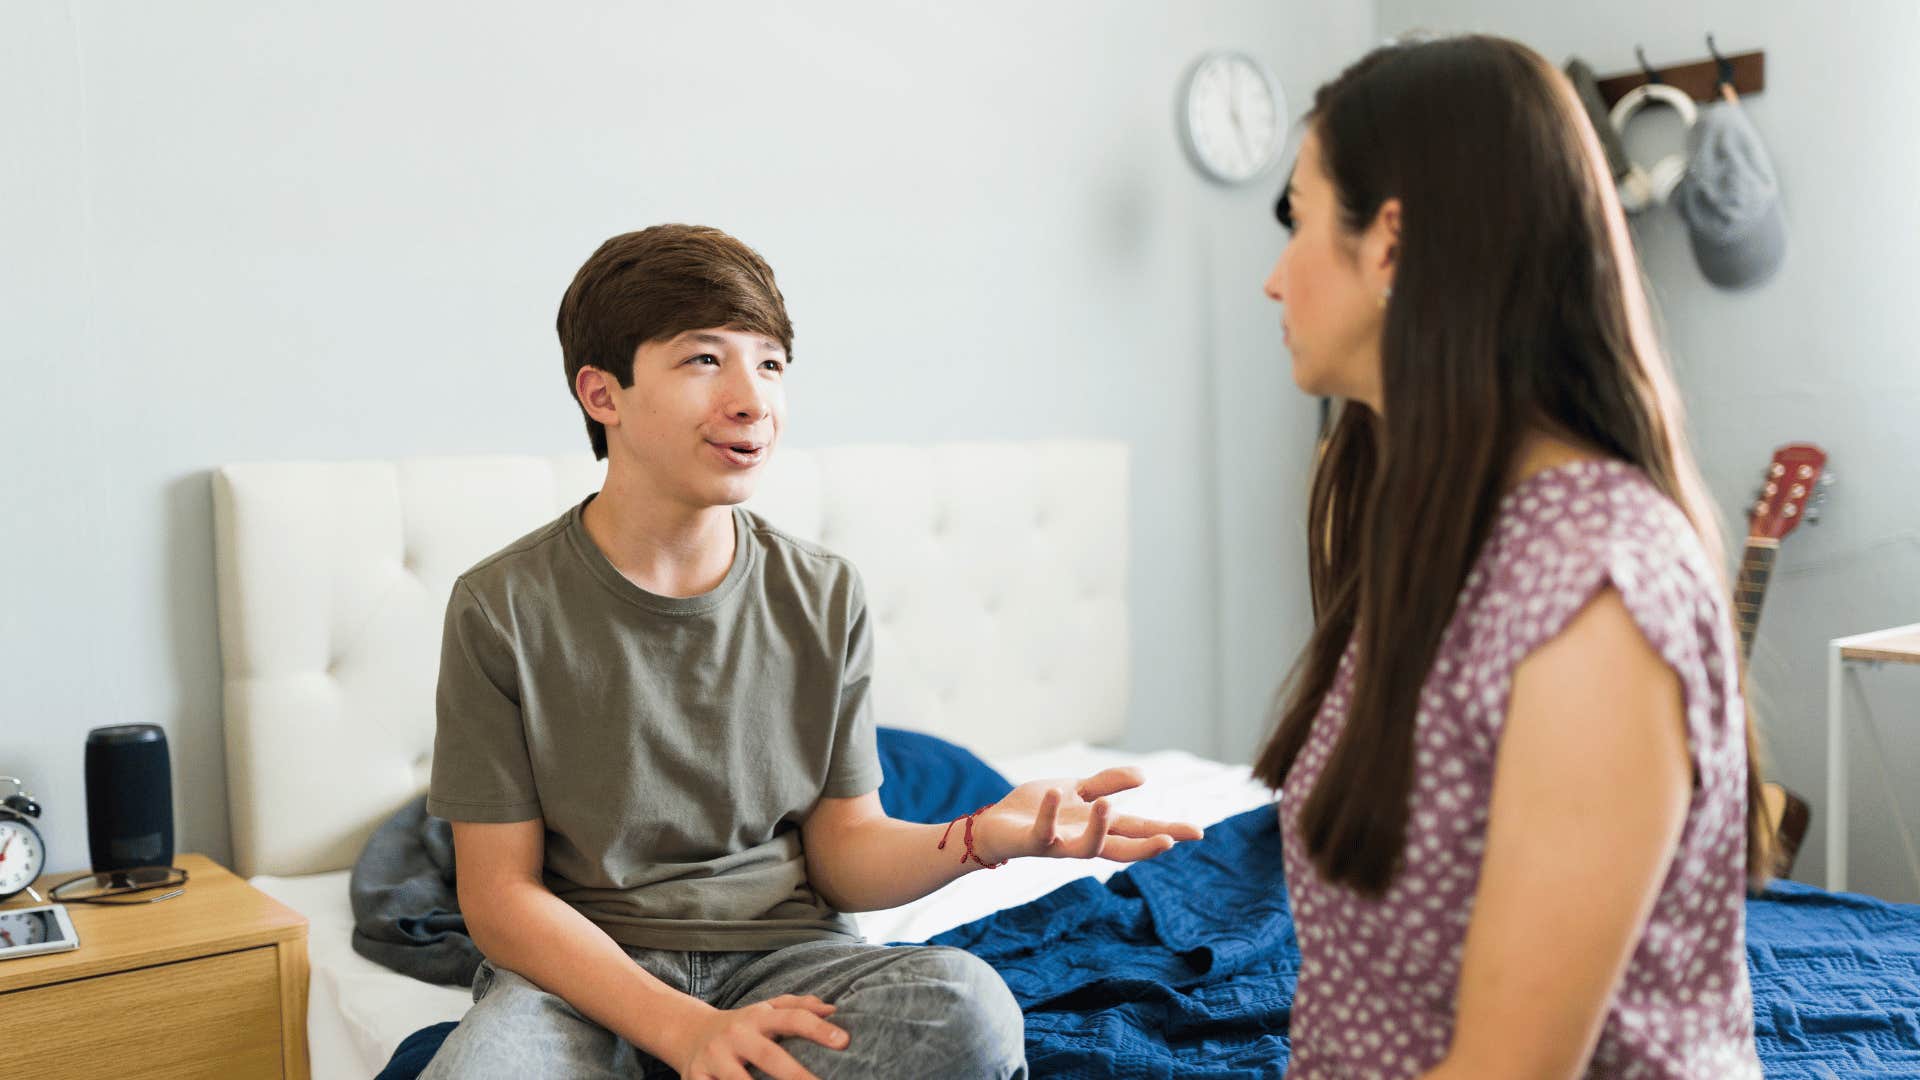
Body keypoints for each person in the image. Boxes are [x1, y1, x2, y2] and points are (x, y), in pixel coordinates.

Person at [420, 224, 1203, 1080]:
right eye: (704, 360)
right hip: (585, 981)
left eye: (770, 363)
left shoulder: (824, 594)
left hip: (788, 961)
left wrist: (982, 836)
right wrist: (684, 1030)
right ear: (602, 394)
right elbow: (499, 899)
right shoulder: (500, 607)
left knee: (969, 1011)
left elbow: (844, 852)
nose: (753, 400)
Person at [1255, 36, 1771, 1079]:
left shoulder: (1599, 591)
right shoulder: (1444, 530)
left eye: (1300, 220)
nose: (1273, 281)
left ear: (1391, 246)